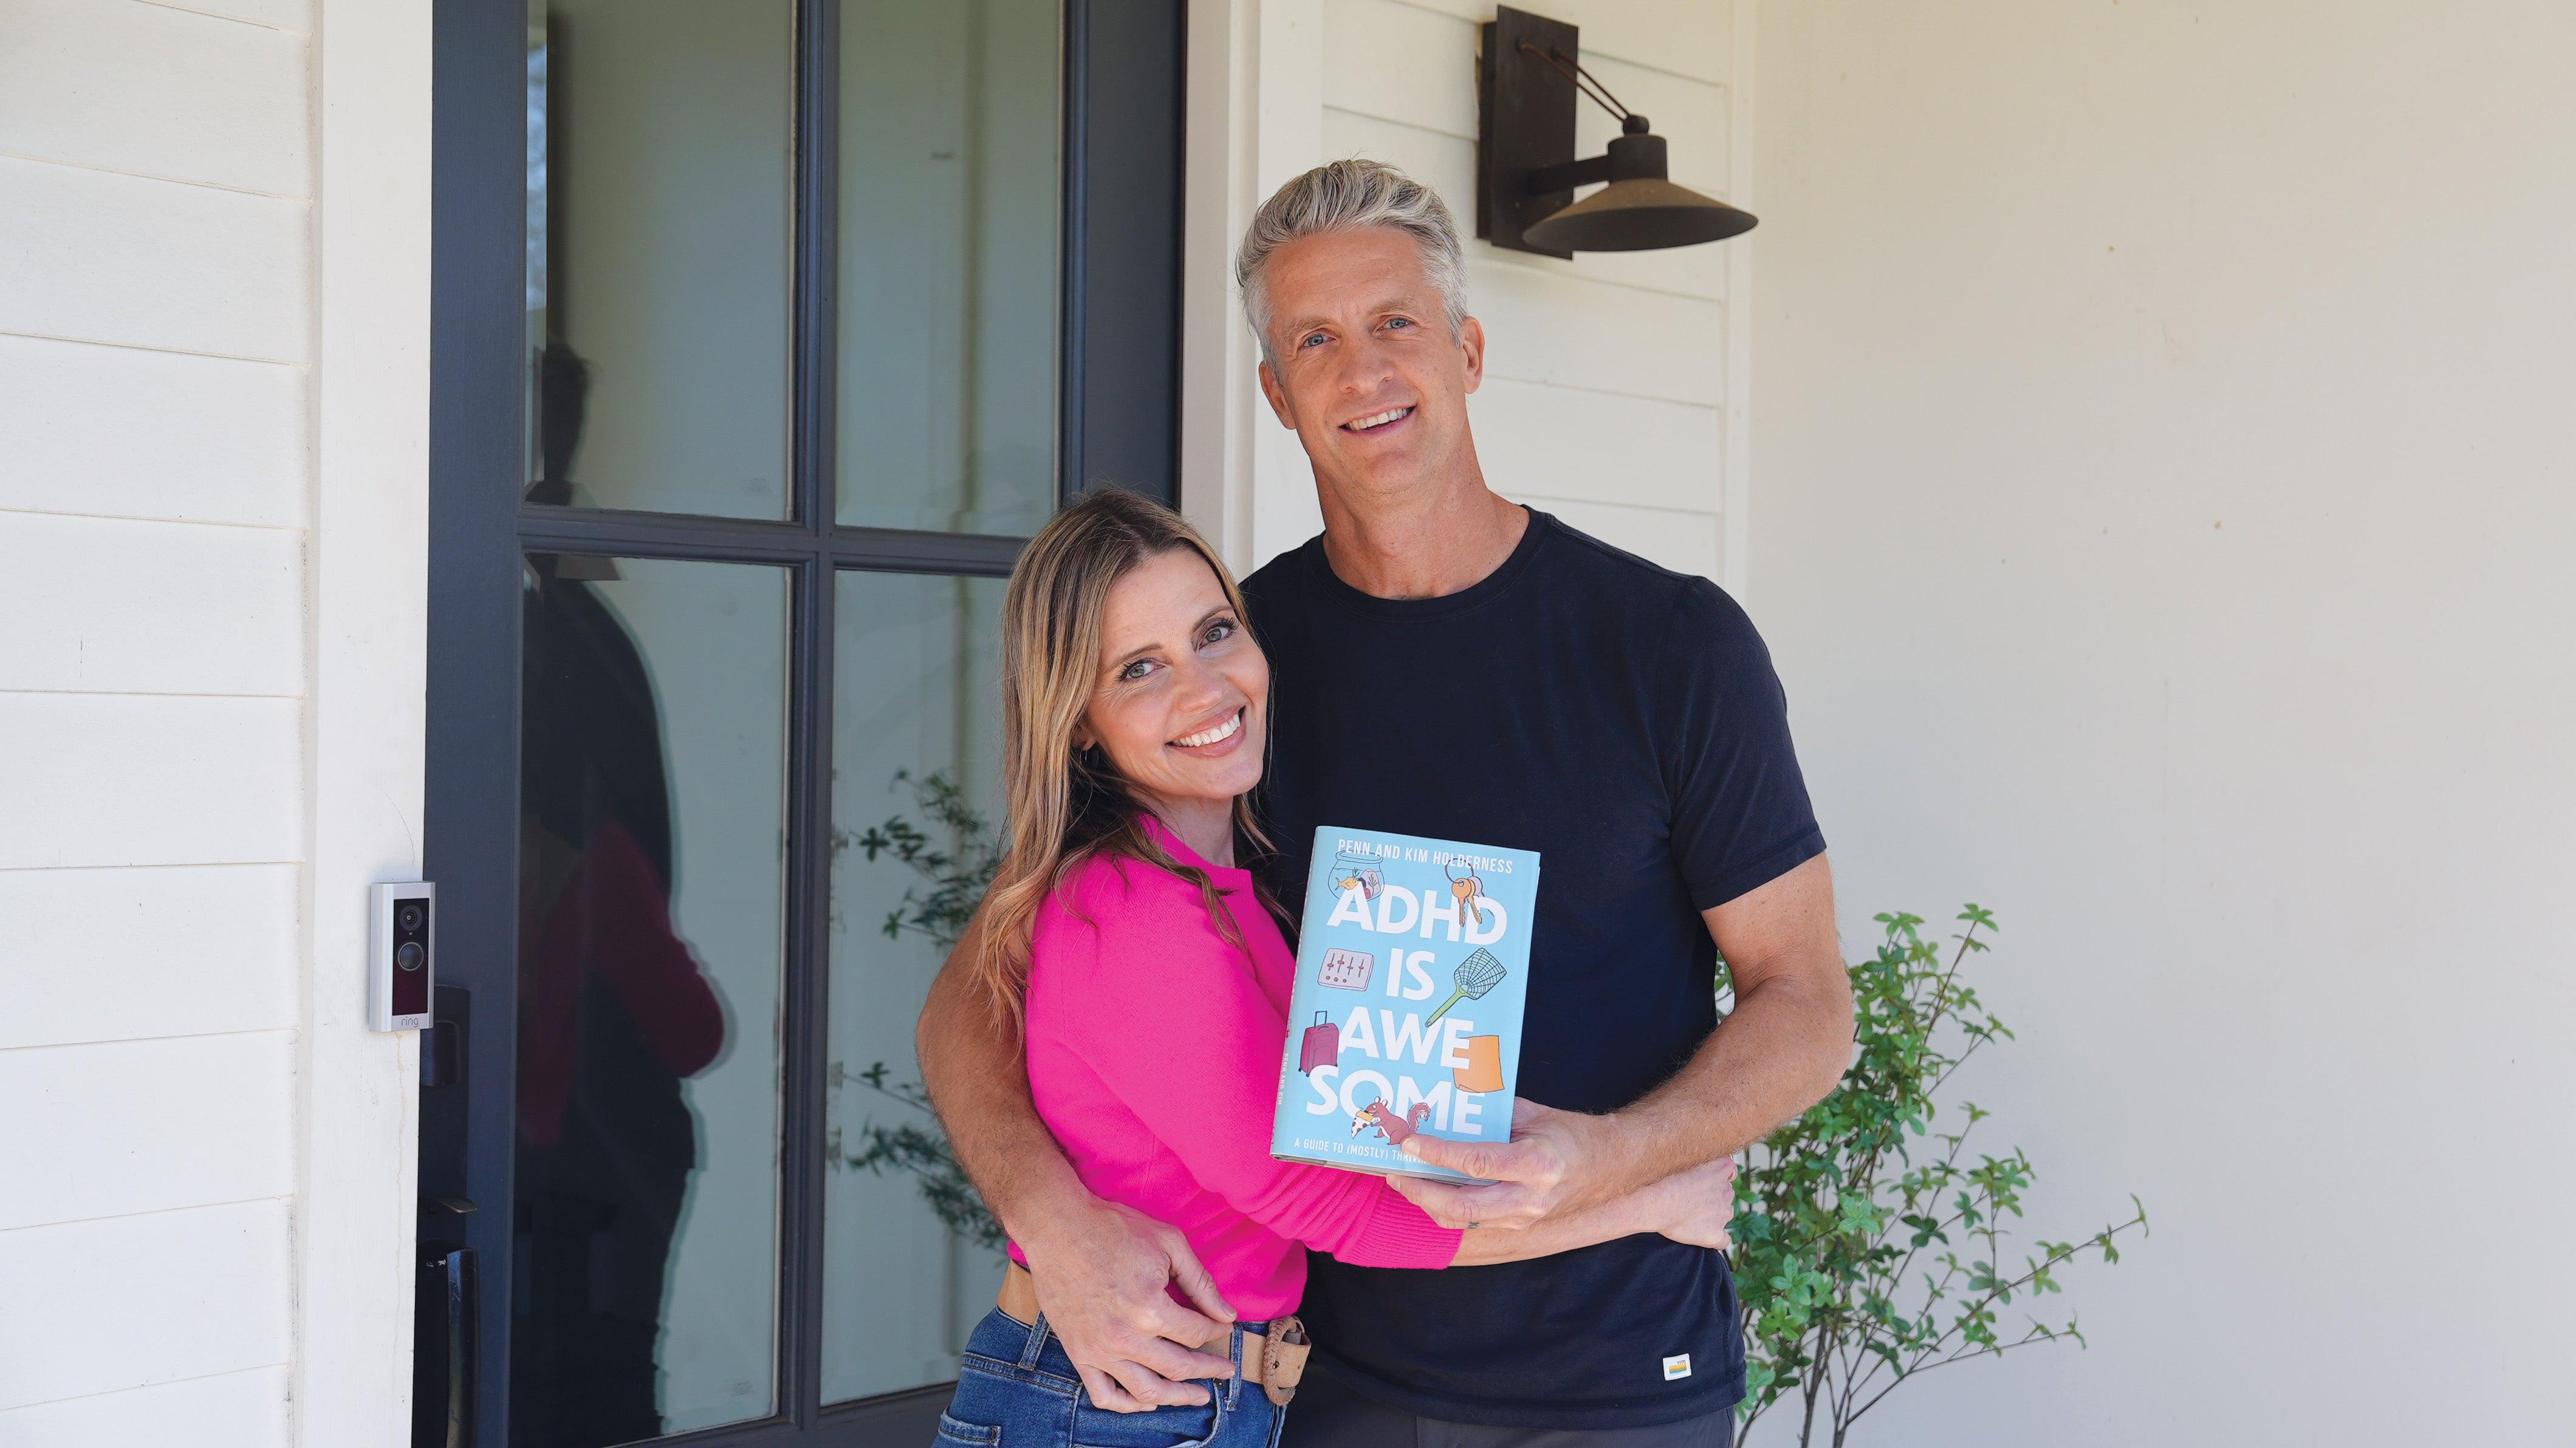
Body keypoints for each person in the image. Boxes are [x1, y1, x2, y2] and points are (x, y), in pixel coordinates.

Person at [920, 160, 1854, 1445]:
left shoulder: (1666, 641)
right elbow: (984, 983)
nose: (1362, 373)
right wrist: (1057, 1219)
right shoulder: (1227, 672)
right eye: (1315, 340)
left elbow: (1805, 1004)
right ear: (1275, 396)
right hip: (1323, 1381)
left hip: (1615, 1377)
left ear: (1465, 349)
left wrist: (1609, 1159)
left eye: (1394, 324)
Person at [928, 488, 1739, 1448]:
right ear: (1078, 721)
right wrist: (1648, 1198)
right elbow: (1315, 1203)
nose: (1204, 689)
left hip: (1192, 1395)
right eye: (1140, 669)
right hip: (1118, 1401)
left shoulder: (1222, 886)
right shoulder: (1126, 912)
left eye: (1215, 631)